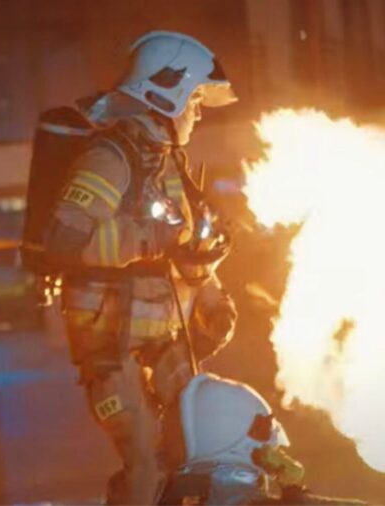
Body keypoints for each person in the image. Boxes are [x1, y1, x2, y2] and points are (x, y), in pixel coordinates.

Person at [44, 31, 239, 504]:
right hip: (109, 347)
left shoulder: (169, 167)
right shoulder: (109, 159)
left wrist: (213, 299)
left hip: (160, 339)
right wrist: (147, 237)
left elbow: (182, 249)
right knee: (145, 462)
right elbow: (64, 239)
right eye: (195, 101)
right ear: (164, 94)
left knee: (197, 443)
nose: (198, 114)